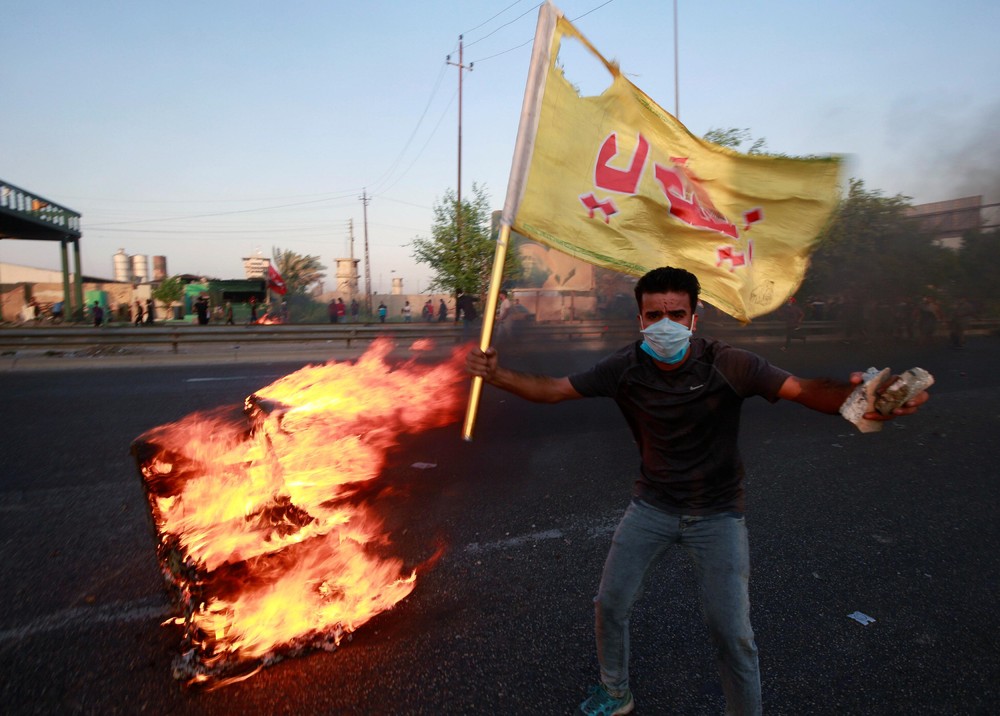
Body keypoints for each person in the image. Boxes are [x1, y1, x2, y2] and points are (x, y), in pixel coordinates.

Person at [465, 266, 930, 716]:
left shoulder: (728, 362)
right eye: (654, 315)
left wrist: (861, 398)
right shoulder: (625, 367)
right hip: (651, 506)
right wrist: (497, 374)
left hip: (718, 513)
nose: (665, 324)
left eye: (677, 314)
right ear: (640, 319)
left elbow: (803, 388)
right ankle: (615, 692)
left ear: (694, 317)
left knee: (733, 634)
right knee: (609, 603)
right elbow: (555, 390)